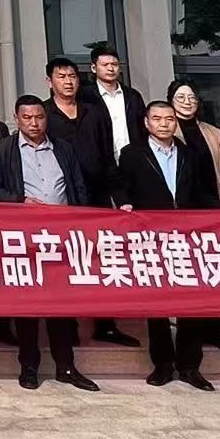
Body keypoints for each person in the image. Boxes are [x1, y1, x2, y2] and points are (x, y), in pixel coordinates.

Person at [114, 100, 220, 391]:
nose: (164, 124)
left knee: (190, 302)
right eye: (157, 118)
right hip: (151, 237)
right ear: (147, 123)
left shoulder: (190, 154)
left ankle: (190, 366)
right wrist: (125, 204)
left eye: (169, 119)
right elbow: (121, 187)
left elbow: (201, 195)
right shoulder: (132, 154)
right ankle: (163, 364)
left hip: (186, 237)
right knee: (157, 304)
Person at [0, 96, 100, 393]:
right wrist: (19, 201)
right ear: (17, 119)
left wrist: (81, 222)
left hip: (61, 236)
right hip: (23, 237)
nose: (34, 123)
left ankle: (66, 366)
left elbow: (78, 186)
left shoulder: (63, 147)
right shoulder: (4, 149)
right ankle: (29, 367)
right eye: (27, 118)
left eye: (39, 117)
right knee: (27, 305)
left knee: (61, 305)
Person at [42, 56, 135, 347]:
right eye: (61, 76)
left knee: (99, 258)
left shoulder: (94, 112)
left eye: (72, 76)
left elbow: (107, 157)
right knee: (64, 261)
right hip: (62, 198)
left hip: (96, 196)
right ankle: (67, 323)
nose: (68, 81)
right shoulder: (43, 114)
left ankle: (105, 323)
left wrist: (121, 198)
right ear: (49, 82)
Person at [169, 77, 220, 352]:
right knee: (189, 272)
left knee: (216, 269)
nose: (187, 102)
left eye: (192, 98)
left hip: (214, 208)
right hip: (184, 211)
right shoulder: (166, 129)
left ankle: (215, 332)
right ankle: (190, 333)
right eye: (181, 97)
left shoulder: (212, 132)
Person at [80, 43, 146, 164]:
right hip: (102, 163)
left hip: (134, 161)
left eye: (114, 64)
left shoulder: (132, 96)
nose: (110, 69)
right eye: (105, 65)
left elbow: (143, 127)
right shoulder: (85, 97)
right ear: (93, 68)